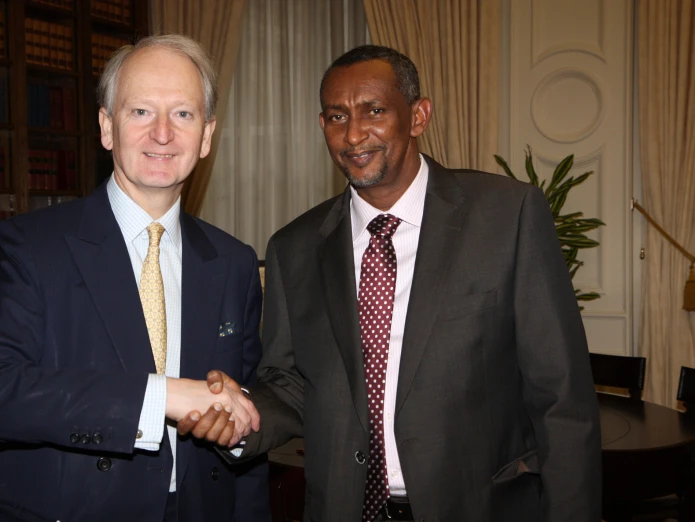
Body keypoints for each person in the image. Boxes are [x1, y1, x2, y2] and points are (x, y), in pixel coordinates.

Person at [180, 45, 602, 521]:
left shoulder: (507, 216)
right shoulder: (293, 249)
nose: (354, 134)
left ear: (418, 116)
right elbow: (292, 384)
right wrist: (239, 418)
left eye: (374, 111)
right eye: (337, 116)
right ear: (323, 126)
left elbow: (562, 398)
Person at [0, 34, 268, 522]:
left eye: (183, 114)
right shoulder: (33, 247)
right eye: (141, 111)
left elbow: (245, 421)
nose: (162, 133)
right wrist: (164, 395)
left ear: (206, 136)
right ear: (107, 127)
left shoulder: (235, 262)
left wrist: (235, 427)